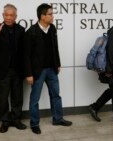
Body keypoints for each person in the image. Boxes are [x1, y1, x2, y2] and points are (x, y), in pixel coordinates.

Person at [23, 3, 72, 134]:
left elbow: (55, 48)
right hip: (37, 72)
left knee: (56, 95)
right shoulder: (31, 32)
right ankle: (34, 123)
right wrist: (28, 74)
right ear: (42, 16)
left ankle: (58, 119)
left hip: (52, 69)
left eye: (52, 13)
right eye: (50, 14)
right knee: (35, 99)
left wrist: (58, 64)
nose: (52, 16)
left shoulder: (52, 28)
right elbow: (26, 55)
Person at [0, 4, 26, 133]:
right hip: (2, 71)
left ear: (16, 16)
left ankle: (16, 119)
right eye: (6, 15)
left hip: (17, 70)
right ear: (3, 15)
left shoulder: (21, 29)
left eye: (11, 15)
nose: (9, 17)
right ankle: (5, 121)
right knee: (3, 98)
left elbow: (23, 51)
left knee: (17, 97)